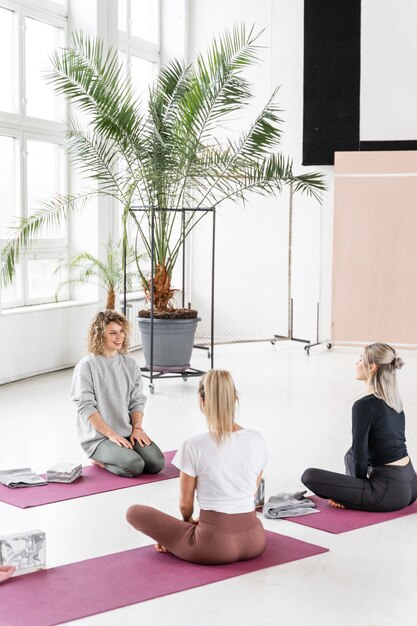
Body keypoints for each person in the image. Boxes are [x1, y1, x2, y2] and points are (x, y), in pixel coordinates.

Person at [126, 370, 267, 565]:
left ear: (202, 401)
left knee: (134, 512)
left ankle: (177, 541)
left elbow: (185, 505)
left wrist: (187, 525)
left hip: (213, 546)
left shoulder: (193, 445)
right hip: (255, 540)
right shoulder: (257, 439)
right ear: (234, 398)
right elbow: (252, 490)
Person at [302, 343, 417, 512]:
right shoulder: (395, 403)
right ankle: (356, 491)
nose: (356, 363)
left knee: (309, 476)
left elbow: (360, 458)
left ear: (371, 367)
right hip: (411, 485)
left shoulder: (363, 406)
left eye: (360, 359)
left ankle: (355, 492)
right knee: (349, 453)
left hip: (388, 493)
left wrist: (349, 492)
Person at [70, 310, 165, 477]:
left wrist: (137, 428)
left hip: (127, 432)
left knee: (156, 463)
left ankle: (119, 454)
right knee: (135, 466)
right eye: (112, 333)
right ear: (100, 335)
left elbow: (137, 400)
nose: (119, 337)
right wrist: (111, 434)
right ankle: (100, 460)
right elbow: (85, 406)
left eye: (121, 332)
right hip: (99, 438)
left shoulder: (130, 365)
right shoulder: (87, 365)